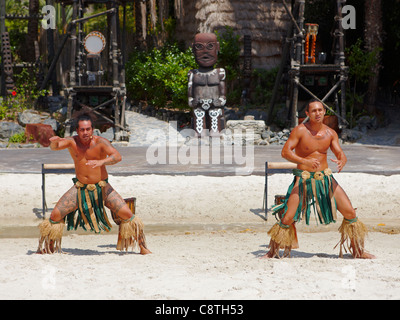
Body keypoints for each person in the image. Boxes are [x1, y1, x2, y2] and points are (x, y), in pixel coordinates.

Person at [262, 100, 375, 259]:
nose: (317, 113)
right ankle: (271, 252)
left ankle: (358, 251)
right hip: (303, 179)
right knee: (287, 217)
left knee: (350, 212)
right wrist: (304, 161)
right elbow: (285, 152)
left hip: (325, 178)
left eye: (320, 110)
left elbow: (339, 152)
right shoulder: (299, 131)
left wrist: (342, 159)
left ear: (324, 112)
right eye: (313, 111)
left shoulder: (330, 133)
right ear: (307, 114)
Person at [37, 113, 151, 255]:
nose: (85, 132)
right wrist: (54, 141)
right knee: (55, 215)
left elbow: (117, 156)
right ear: (77, 131)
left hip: (102, 188)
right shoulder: (72, 142)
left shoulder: (100, 142)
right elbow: (55, 146)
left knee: (127, 214)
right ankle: (49, 247)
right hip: (80, 188)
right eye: (82, 130)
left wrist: (101, 162)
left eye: (88, 129)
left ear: (92, 130)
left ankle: (143, 247)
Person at [188, 32, 226, 135]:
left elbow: (223, 94)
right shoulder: (193, 73)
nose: (205, 52)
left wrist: (221, 101)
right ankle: (199, 134)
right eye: (199, 47)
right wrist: (191, 101)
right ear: (193, 49)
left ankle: (215, 132)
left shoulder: (220, 72)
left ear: (217, 47)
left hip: (214, 105)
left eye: (210, 46)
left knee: (215, 114)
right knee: (198, 115)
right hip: (199, 105)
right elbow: (190, 93)